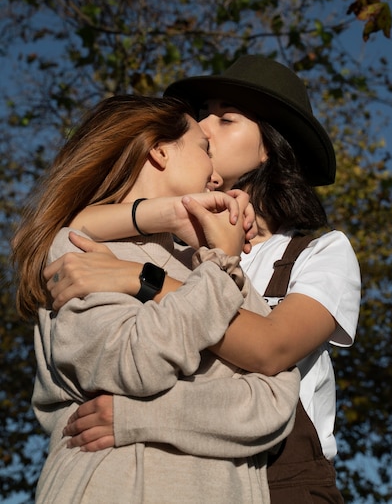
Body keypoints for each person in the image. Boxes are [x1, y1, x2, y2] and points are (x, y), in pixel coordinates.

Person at [45, 57, 361, 502]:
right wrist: (169, 213)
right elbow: (70, 228)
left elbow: (271, 349)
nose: (206, 125)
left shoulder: (318, 252)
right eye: (203, 115)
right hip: (180, 467)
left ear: (269, 147)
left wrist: (142, 279)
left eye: (226, 118)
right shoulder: (175, 243)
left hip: (281, 476)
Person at [12, 94, 300, 504]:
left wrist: (138, 414)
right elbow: (131, 361)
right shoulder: (79, 249)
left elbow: (275, 401)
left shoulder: (214, 266)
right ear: (160, 153)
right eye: (203, 147)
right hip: (119, 485)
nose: (215, 170)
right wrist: (219, 269)